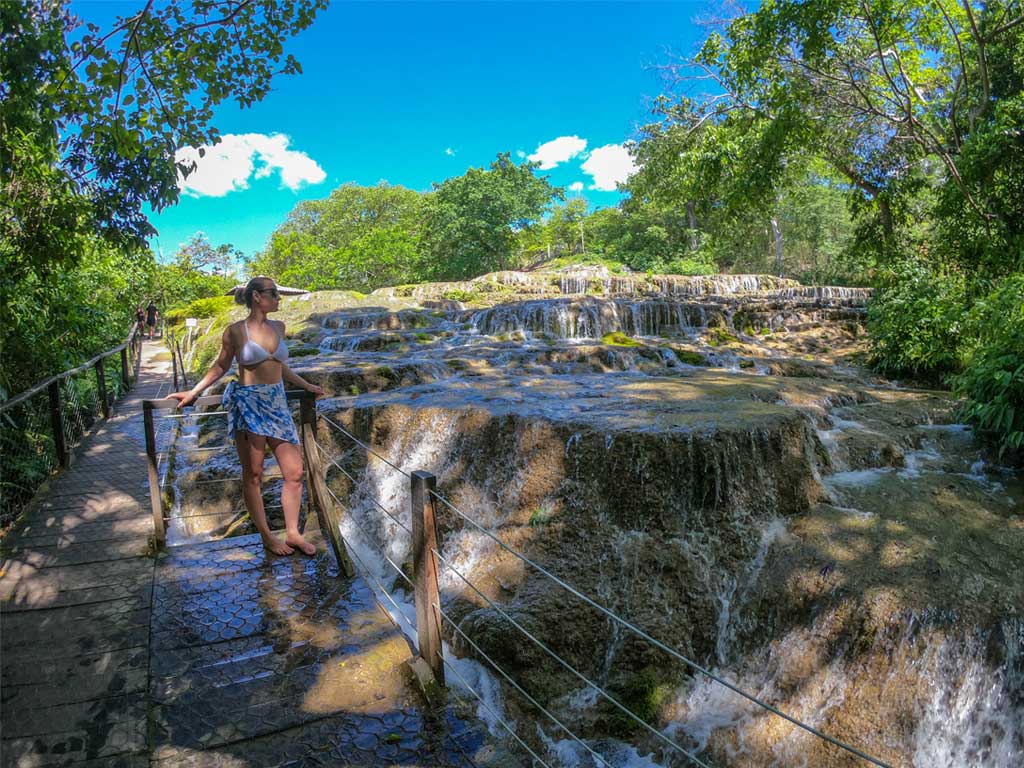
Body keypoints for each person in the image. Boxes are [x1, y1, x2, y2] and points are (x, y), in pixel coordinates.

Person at [167, 277, 324, 556]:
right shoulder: (236, 331)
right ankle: (266, 536)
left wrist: (306, 386)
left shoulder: (280, 327)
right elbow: (220, 366)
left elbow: (279, 366)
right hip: (249, 403)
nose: (278, 298)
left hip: (277, 402)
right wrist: (193, 392)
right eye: (273, 293)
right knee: (253, 474)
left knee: (295, 472)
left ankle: (292, 534)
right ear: (255, 297)